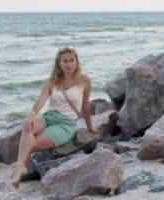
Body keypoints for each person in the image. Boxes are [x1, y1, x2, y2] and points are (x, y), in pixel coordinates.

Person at [11, 47, 98, 188]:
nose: (69, 64)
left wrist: (90, 126)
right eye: (65, 61)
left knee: (30, 145)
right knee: (28, 126)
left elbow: (86, 107)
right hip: (48, 117)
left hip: (65, 123)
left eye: (72, 60)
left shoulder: (84, 81)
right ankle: (21, 167)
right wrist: (31, 114)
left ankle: (18, 175)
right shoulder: (52, 81)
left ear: (77, 62)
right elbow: (42, 99)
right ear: (59, 63)